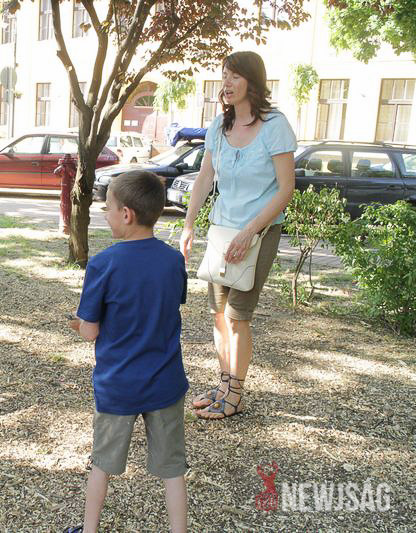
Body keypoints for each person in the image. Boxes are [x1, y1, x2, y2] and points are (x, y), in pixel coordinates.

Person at [68, 171, 188, 533]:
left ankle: (89, 530)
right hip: (166, 383)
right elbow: (165, 307)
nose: (105, 214)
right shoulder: (174, 261)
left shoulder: (103, 264)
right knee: (173, 470)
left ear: (126, 214)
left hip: (118, 385)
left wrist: (77, 324)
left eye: (108, 208)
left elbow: (90, 331)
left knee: (101, 465)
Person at [179, 51, 296, 419]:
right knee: (218, 314)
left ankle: (236, 394)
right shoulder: (219, 125)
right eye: (224, 75)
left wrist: (249, 232)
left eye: (234, 76)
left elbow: (285, 189)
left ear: (252, 81)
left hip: (258, 233)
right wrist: (189, 224)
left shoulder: (275, 125)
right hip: (222, 232)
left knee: (236, 315)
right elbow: (205, 177)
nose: (226, 83)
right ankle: (224, 384)